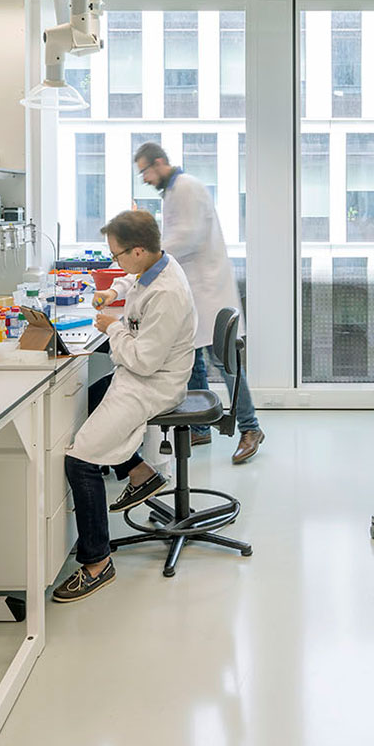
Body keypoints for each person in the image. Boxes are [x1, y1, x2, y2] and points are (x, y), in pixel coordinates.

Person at [54, 209, 197, 603]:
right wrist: (111, 293)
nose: (114, 261)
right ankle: (140, 472)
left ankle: (97, 563)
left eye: (116, 255)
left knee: (80, 460)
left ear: (137, 251)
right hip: (139, 375)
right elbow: (131, 281)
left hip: (153, 384)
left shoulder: (167, 293)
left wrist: (112, 327)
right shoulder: (155, 265)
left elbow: (144, 362)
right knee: (90, 399)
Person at [133, 141, 265, 464]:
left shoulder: (186, 187)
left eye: (145, 172)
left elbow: (187, 238)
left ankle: (250, 428)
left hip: (208, 291)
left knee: (225, 364)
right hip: (195, 293)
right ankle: (200, 428)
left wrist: (151, 254)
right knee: (192, 360)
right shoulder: (173, 191)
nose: (145, 179)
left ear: (159, 162)